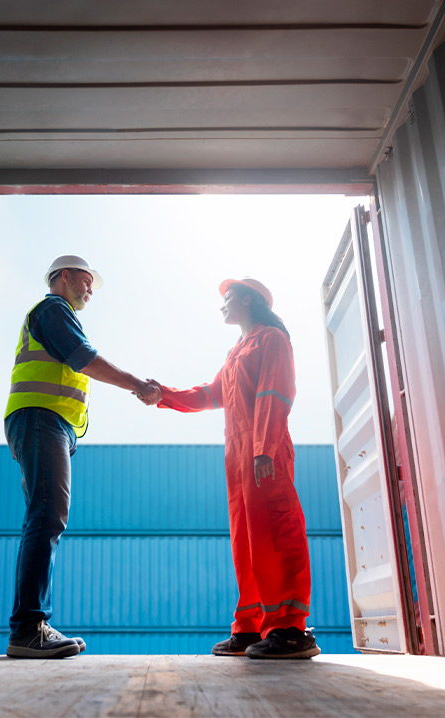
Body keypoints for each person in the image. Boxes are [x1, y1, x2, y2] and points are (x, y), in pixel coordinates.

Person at [142, 277, 320, 659]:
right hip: (237, 455)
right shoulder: (237, 351)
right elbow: (209, 394)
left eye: (229, 296)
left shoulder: (272, 338)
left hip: (262, 448)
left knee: (276, 533)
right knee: (247, 541)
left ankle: (290, 628)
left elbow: (277, 392)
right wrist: (165, 394)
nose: (223, 303)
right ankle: (252, 626)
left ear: (250, 300)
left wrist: (263, 448)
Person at [4, 255, 157, 659]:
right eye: (86, 281)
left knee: (46, 514)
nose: (90, 289)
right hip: (41, 418)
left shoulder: (58, 313)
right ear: (64, 277)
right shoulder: (53, 309)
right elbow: (82, 357)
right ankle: (29, 628)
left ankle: (30, 626)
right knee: (48, 514)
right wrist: (136, 384)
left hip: (49, 424)